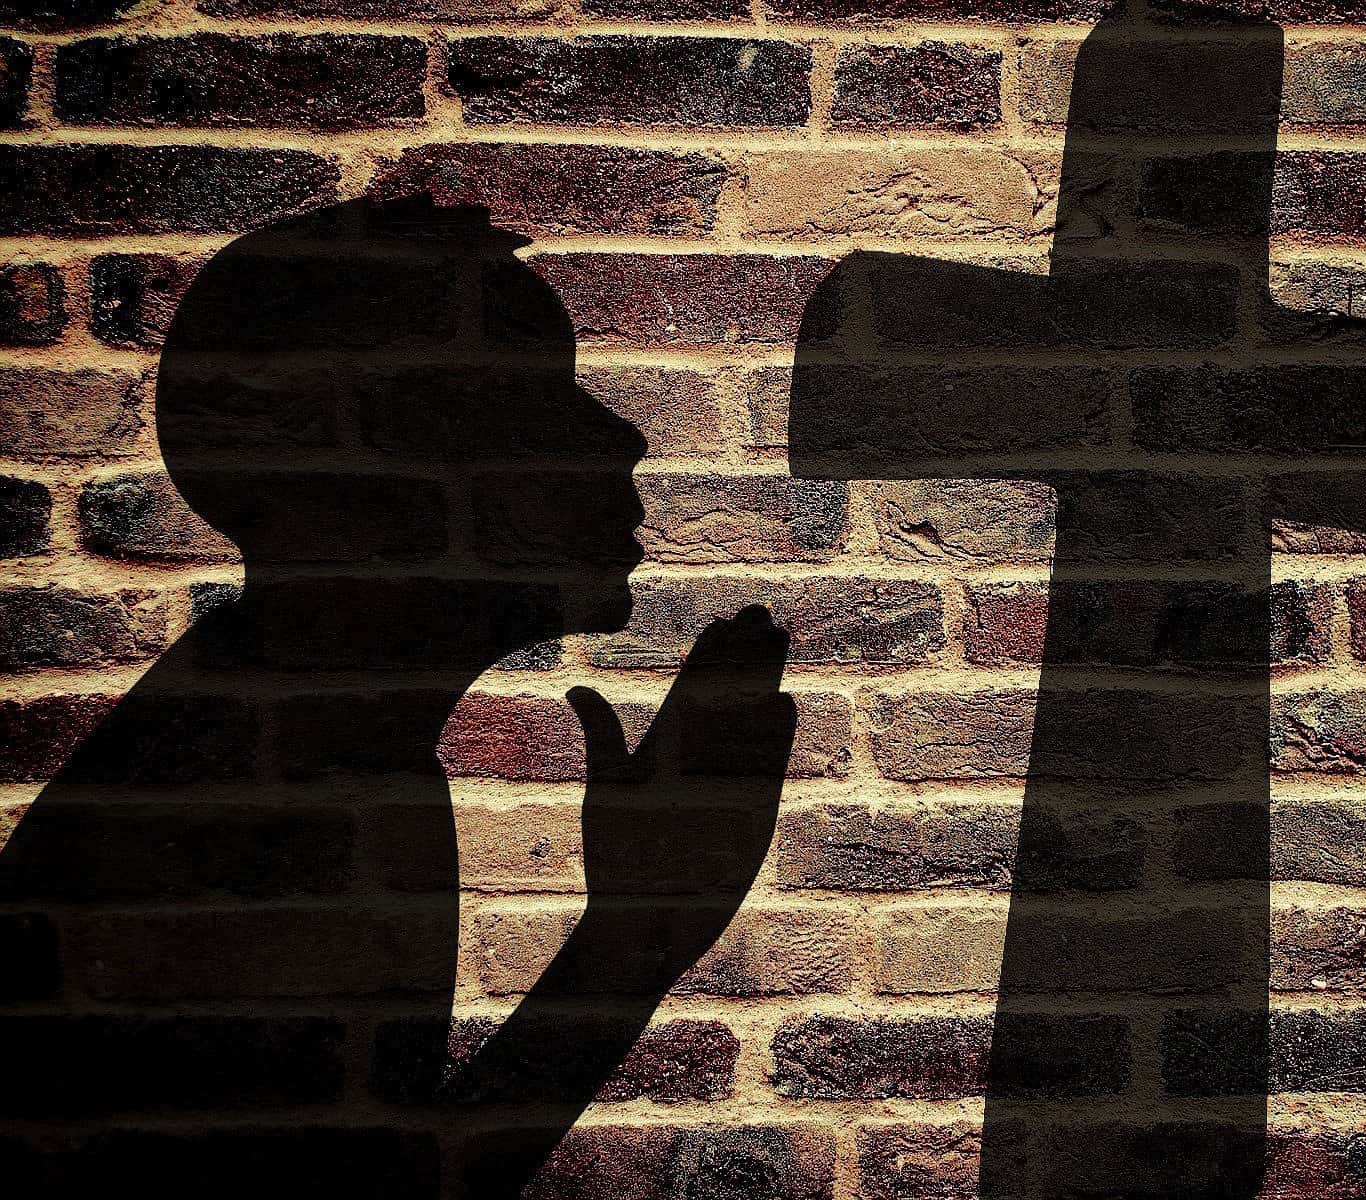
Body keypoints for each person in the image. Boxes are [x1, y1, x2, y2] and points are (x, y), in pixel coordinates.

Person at [0, 194, 794, 1199]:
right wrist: (632, 941)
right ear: (390, 461)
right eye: (539, 397)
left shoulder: (307, 745)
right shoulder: (272, 817)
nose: (620, 439)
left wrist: (633, 935)